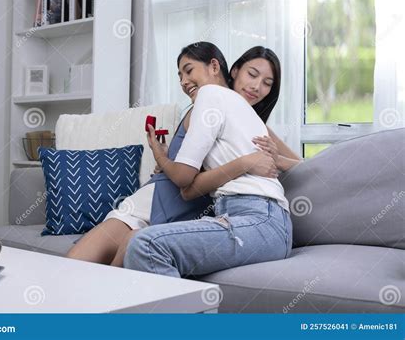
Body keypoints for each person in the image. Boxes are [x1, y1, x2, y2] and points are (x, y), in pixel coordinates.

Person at [67, 43, 300, 267]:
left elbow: (301, 164)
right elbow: (185, 179)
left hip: (188, 210)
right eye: (252, 74)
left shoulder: (248, 121)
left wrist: (274, 159)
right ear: (234, 70)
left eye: (267, 83)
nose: (256, 86)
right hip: (156, 200)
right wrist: (166, 161)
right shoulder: (207, 104)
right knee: (75, 268)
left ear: (214, 66)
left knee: (121, 260)